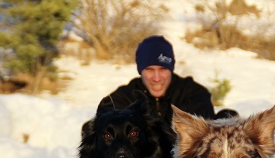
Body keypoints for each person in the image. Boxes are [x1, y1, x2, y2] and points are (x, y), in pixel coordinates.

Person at [95, 35, 236, 127]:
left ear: (171, 69)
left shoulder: (194, 94)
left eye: (163, 69)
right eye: (149, 70)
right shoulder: (124, 98)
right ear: (140, 70)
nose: (156, 78)